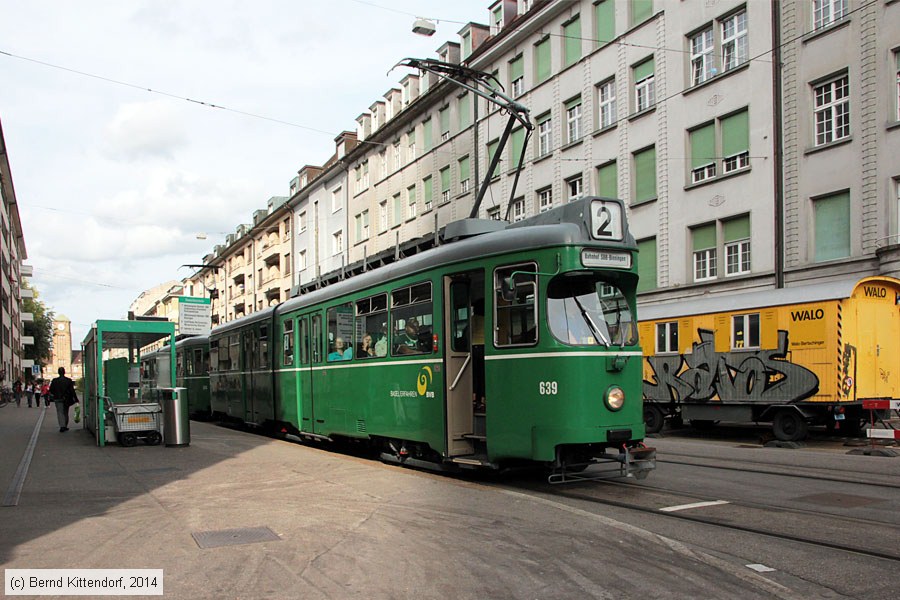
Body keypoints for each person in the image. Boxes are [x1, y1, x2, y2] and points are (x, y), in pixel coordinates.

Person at [49, 367, 79, 432]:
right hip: (66, 399)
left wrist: (55, 394)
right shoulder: (68, 380)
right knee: (65, 412)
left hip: (58, 398)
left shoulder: (54, 381)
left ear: (58, 372)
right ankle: (65, 425)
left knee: (60, 412)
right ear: (64, 372)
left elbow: (51, 390)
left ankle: (62, 426)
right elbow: (72, 391)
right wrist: (76, 399)